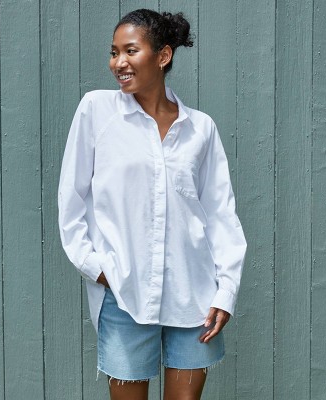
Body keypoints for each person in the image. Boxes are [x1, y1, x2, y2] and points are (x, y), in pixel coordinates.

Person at [58, 8, 246, 400]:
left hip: (195, 296)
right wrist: (98, 268)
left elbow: (220, 215)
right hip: (124, 295)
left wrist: (225, 292)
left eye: (130, 51)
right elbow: (71, 200)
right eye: (114, 53)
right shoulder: (96, 111)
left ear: (163, 55)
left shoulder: (200, 129)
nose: (118, 63)